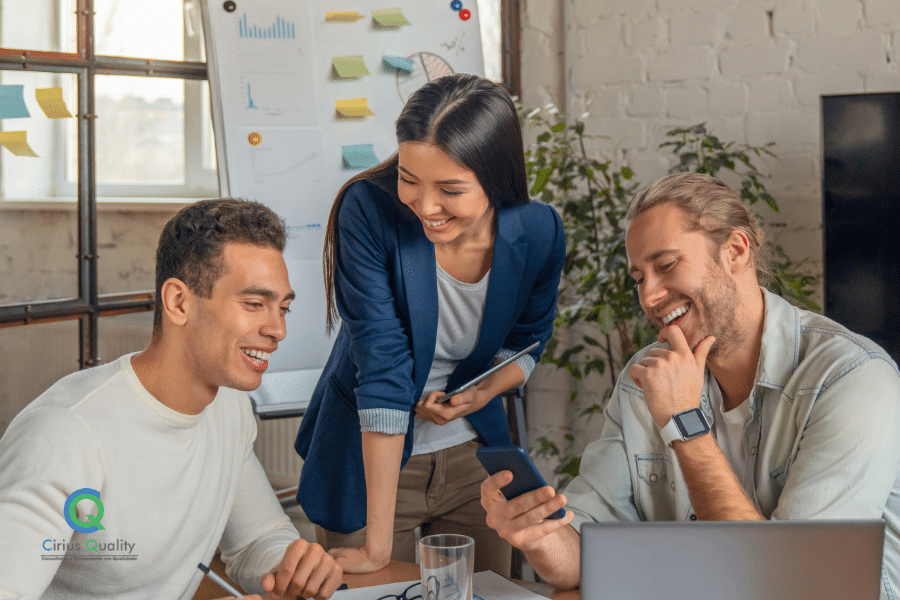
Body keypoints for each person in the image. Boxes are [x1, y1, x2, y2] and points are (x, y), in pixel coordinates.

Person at [480, 172, 900, 597]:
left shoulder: (854, 379)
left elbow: (790, 587)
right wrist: (538, 534)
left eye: (665, 266)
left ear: (735, 251)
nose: (649, 297)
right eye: (640, 278)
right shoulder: (642, 379)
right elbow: (581, 560)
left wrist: (684, 424)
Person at [0, 199, 343, 600]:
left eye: (282, 308)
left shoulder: (228, 407)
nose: (278, 330)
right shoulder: (66, 433)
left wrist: (295, 568)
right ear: (178, 302)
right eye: (254, 304)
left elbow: (257, 540)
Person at [294, 73, 565, 576]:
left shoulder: (540, 229)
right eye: (410, 179)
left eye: (450, 189)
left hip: (473, 461)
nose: (425, 205)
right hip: (367, 462)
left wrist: (481, 393)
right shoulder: (369, 211)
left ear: (498, 179)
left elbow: (528, 341)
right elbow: (383, 368)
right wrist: (376, 549)